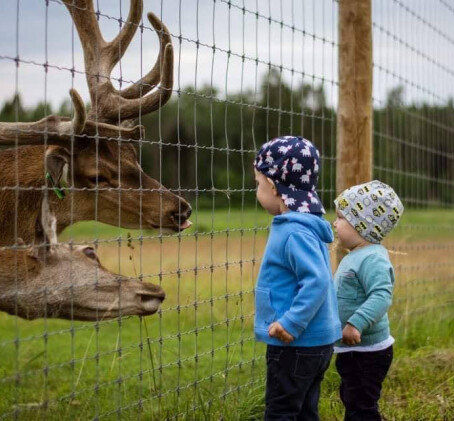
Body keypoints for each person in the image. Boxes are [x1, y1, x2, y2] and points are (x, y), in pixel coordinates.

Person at [253, 136, 341, 421]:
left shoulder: (294, 232)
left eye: (258, 183)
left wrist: (292, 322)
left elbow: (317, 281)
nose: (257, 190)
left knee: (281, 412)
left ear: (275, 187)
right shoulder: (304, 227)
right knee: (303, 411)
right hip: (315, 344)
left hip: (295, 343)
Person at [332, 180, 404, 421]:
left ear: (363, 225)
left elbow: (381, 295)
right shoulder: (357, 255)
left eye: (341, 218)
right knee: (353, 397)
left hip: (367, 351)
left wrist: (355, 324)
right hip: (354, 349)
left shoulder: (372, 259)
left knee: (361, 405)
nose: (335, 223)